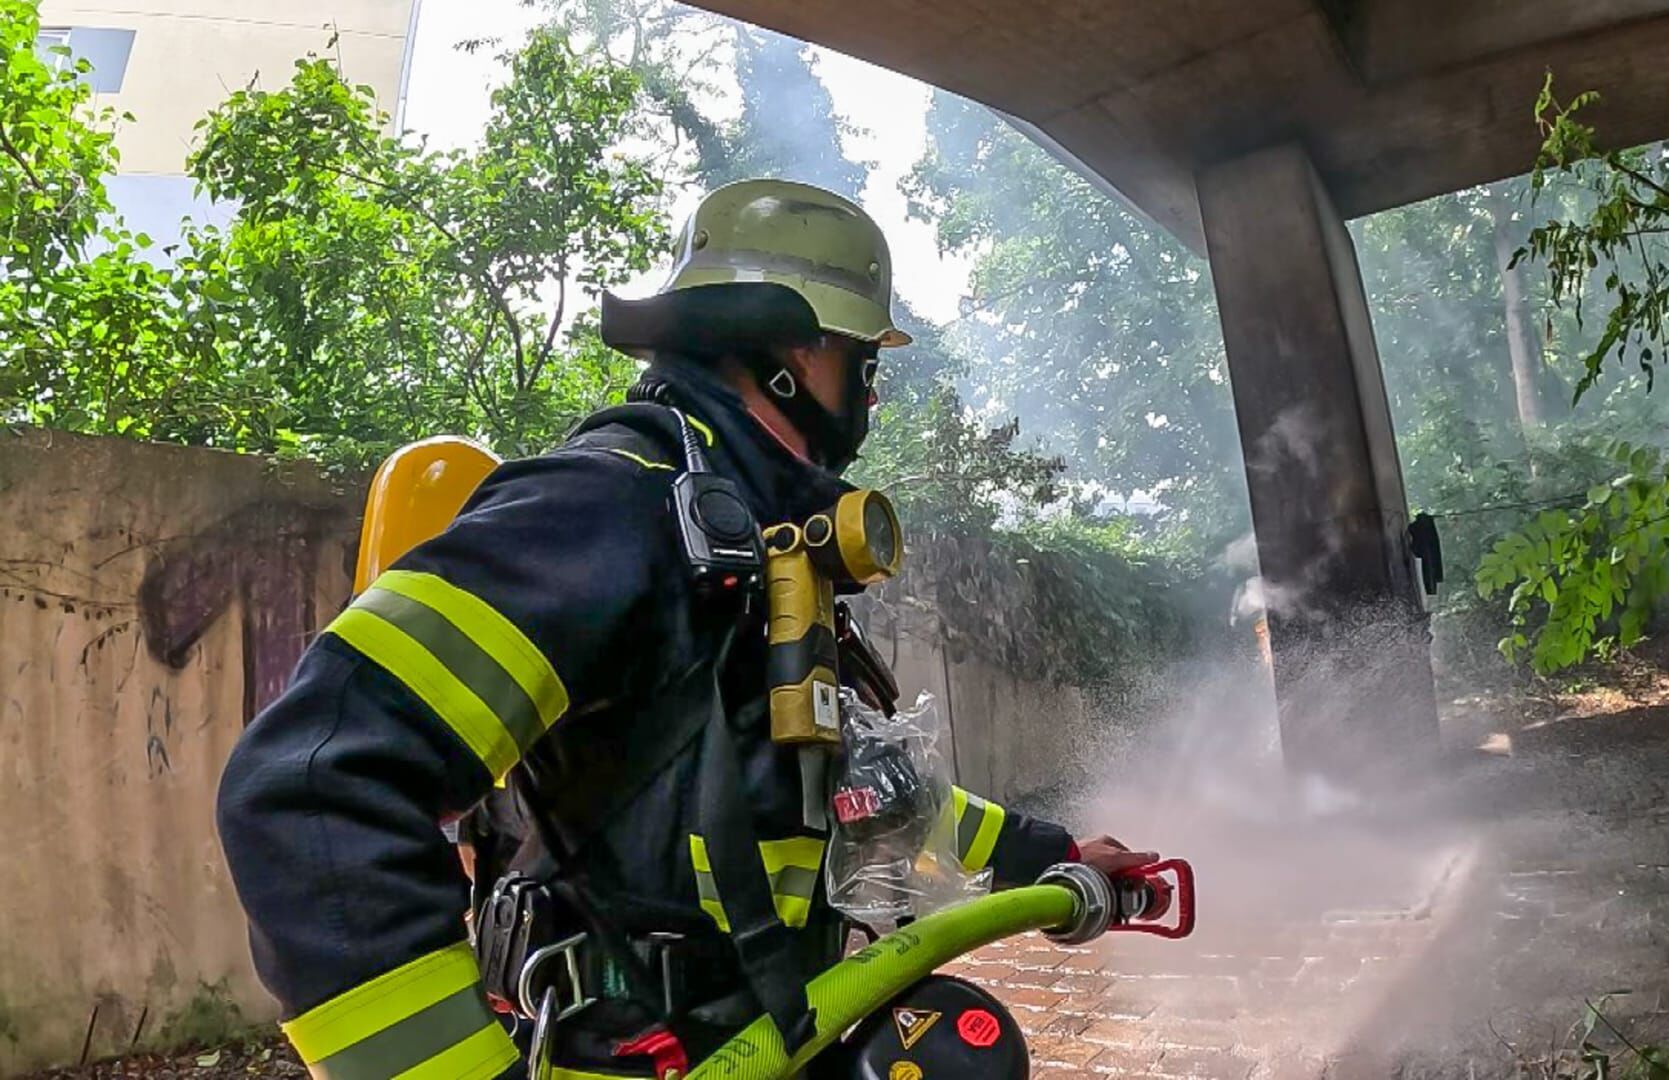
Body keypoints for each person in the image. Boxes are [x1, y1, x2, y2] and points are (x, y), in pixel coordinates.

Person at [216, 178, 1152, 1080]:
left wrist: (1054, 858)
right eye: (858, 360)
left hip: (772, 1033)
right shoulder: (605, 509)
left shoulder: (746, 542)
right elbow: (309, 789)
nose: (870, 396)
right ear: (785, 350)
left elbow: (852, 791)